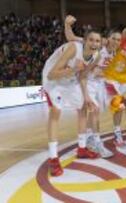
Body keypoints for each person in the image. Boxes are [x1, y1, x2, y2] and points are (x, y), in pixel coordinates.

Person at [42, 30, 102, 176]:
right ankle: (53, 158)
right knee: (56, 111)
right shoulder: (74, 48)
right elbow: (51, 74)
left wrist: (86, 96)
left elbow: (82, 75)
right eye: (91, 40)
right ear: (85, 41)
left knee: (82, 107)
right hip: (53, 79)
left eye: (97, 41)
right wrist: (74, 69)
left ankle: (82, 148)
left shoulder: (97, 56)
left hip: (70, 78)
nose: (94, 43)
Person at [64, 15, 121, 158]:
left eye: (118, 40)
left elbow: (107, 71)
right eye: (113, 38)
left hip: (99, 84)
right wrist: (67, 25)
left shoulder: (115, 53)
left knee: (97, 112)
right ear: (106, 39)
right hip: (86, 81)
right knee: (94, 111)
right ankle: (96, 141)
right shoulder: (96, 44)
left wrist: (104, 73)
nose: (116, 41)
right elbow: (71, 37)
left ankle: (90, 136)